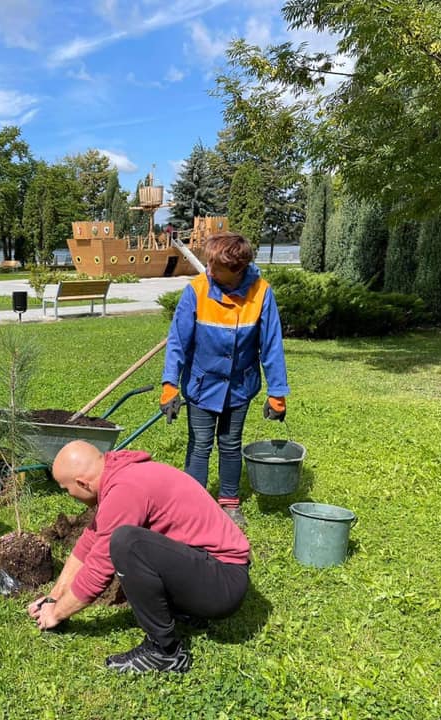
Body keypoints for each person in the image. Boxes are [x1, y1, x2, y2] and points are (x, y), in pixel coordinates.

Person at [28, 441, 250, 674]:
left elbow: (99, 569)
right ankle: (184, 612)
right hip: (208, 569)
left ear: (83, 483)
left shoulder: (125, 489)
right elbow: (90, 540)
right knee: (126, 541)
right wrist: (53, 598)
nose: (70, 496)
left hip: (222, 584)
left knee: (127, 543)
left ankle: (165, 651)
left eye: (67, 490)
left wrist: (57, 614)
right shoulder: (118, 474)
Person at [160, 231, 289, 528]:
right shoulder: (197, 289)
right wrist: (169, 385)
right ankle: (192, 504)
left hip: (240, 387)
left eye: (215, 266)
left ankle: (229, 503)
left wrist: (277, 392)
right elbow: (178, 341)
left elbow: (271, 344)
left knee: (231, 444)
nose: (209, 269)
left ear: (237, 269)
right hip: (202, 385)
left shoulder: (261, 293)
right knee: (200, 442)